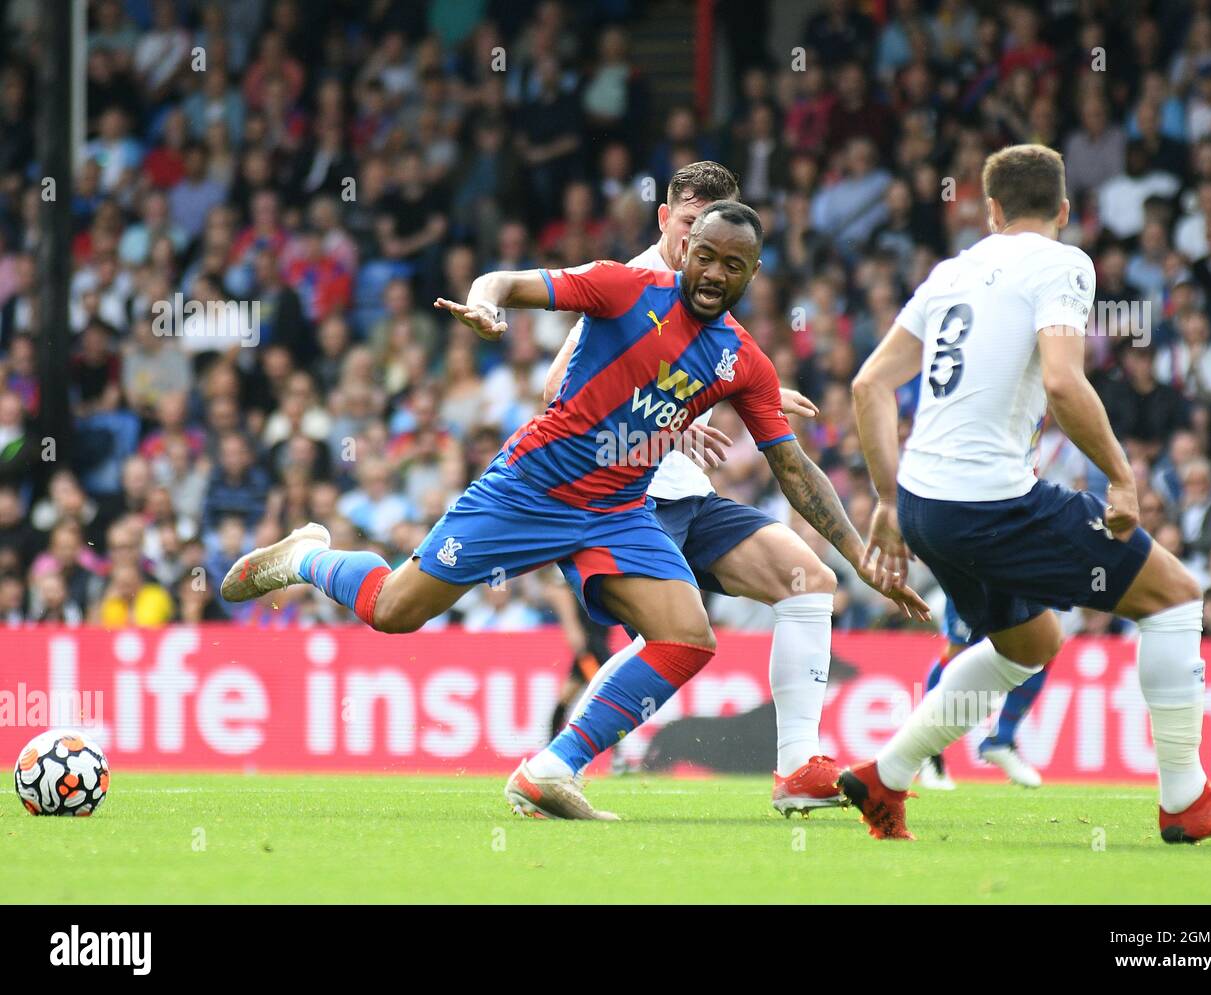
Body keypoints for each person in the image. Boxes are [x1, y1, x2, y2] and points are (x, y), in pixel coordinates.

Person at [222, 201, 929, 821]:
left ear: (754, 273)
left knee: (687, 637)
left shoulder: (743, 360)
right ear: (684, 248)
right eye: (705, 255)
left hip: (618, 511)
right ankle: (306, 555)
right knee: (394, 609)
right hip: (527, 491)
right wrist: (488, 303)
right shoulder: (625, 288)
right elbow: (508, 280)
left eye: (733, 265)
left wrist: (861, 555)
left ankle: (550, 770)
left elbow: (794, 466)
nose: (715, 273)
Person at [846, 143, 1211, 843]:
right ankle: (1185, 798)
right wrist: (1120, 473)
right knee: (1174, 593)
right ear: (1063, 209)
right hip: (989, 501)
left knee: (1029, 643)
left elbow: (868, 384)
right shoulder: (1063, 263)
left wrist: (886, 499)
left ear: (990, 210)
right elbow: (1062, 379)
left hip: (926, 504)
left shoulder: (949, 273)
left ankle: (885, 775)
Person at [531, 162, 853, 817]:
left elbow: (715, 370)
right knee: (676, 639)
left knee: (810, 582)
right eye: (685, 227)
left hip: (689, 495)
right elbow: (557, 392)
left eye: (708, 234)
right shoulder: (631, 286)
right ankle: (553, 764)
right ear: (665, 220)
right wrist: (668, 430)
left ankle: (796, 767)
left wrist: (750, 398)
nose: (696, 247)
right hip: (632, 501)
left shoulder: (708, 291)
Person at [917, 599, 1047, 790]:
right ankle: (926, 750)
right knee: (960, 650)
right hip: (973, 573)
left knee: (1042, 643)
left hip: (1018, 573)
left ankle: (1001, 739)